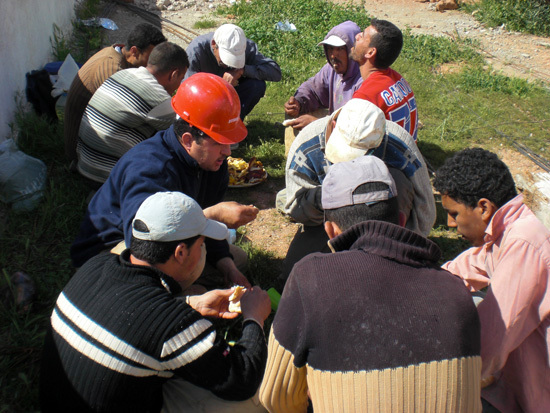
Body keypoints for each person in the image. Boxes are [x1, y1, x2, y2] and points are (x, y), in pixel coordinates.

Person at [260, 156, 482, 413]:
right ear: (401, 220)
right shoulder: (456, 291)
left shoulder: (309, 278)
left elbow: (276, 398)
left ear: (331, 231)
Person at [40, 191, 272, 412]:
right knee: (256, 398)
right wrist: (254, 318)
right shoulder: (172, 324)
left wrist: (192, 304)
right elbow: (241, 379)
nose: (203, 251)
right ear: (180, 253)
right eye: (201, 245)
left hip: (59, 401)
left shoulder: (95, 265)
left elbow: (129, 318)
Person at [70, 73, 259, 292]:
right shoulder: (149, 169)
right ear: (188, 140)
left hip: (167, 244)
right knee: (194, 268)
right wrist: (212, 216)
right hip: (111, 251)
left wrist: (227, 267)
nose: (226, 152)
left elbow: (207, 231)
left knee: (237, 260)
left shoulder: (212, 163)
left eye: (229, 143)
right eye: (219, 143)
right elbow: (144, 243)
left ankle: (181, 288)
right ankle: (159, 298)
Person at [433, 148, 550, 413]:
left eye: (454, 214)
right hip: (516, 382)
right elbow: (469, 265)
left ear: (484, 207)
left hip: (536, 396)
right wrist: (426, 285)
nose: (451, 224)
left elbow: (491, 341)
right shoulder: (509, 229)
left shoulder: (523, 243)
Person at [277, 98, 435, 284]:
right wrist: (326, 197)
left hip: (382, 223)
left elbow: (425, 213)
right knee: (294, 278)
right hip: (327, 221)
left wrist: (403, 250)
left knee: (398, 179)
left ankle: (386, 265)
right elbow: (295, 207)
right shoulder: (305, 146)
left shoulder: (399, 144)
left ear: (380, 139)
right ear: (333, 125)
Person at [76, 42, 189, 185]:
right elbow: (182, 132)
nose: (179, 84)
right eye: (181, 78)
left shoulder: (123, 73)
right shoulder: (158, 98)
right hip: (104, 178)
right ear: (174, 74)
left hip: (85, 164)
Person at [64, 23, 167, 161]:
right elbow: (136, 108)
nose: (155, 64)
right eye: (152, 59)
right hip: (83, 153)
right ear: (134, 52)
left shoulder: (117, 54)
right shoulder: (112, 70)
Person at [185, 23, 281, 119]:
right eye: (225, 59)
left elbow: (275, 72)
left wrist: (242, 70)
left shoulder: (243, 47)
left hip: (231, 95)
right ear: (214, 44)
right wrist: (218, 86)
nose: (228, 65)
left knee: (257, 85)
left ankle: (234, 121)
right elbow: (187, 91)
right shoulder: (196, 51)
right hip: (203, 99)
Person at [283, 21, 363, 130]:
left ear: (352, 50)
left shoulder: (363, 80)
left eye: (340, 49)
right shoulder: (331, 70)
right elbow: (314, 89)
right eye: (330, 48)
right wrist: (299, 102)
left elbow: (357, 129)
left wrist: (317, 124)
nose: (333, 55)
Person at [350, 19, 418, 141]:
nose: (357, 36)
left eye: (363, 35)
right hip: (408, 156)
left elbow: (350, 140)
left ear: (370, 52)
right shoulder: (398, 79)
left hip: (384, 159)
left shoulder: (366, 96)